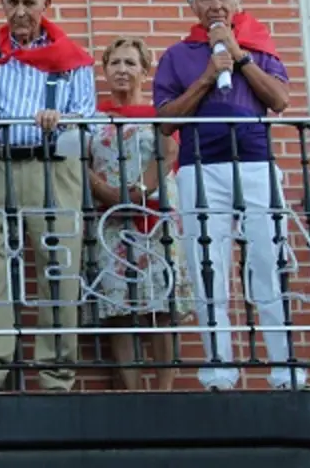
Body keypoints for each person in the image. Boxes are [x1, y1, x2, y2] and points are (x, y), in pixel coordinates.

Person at [153, 0, 306, 391]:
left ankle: (285, 369)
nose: (216, 5)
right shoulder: (177, 55)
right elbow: (165, 121)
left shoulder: (257, 45)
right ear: (192, 5)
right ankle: (219, 371)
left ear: (237, 2)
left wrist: (239, 57)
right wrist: (206, 76)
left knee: (268, 263)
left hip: (255, 162)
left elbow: (279, 99)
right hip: (201, 167)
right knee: (209, 268)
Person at [0, 0, 96, 393]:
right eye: (12, 2)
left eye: (29, 3)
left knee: (59, 263)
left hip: (53, 166)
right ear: (2, 5)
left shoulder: (72, 59)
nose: (19, 11)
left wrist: (63, 119)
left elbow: (87, 120)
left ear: (46, 6)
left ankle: (55, 373)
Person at [88, 36, 191, 391]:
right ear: (105, 70)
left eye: (131, 63)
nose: (122, 70)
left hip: (155, 214)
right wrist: (106, 192)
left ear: (145, 71)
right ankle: (133, 391)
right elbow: (77, 159)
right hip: (110, 219)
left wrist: (137, 193)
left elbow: (170, 152)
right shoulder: (92, 117)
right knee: (120, 307)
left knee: (162, 307)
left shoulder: (158, 115)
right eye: (115, 63)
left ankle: (163, 391)